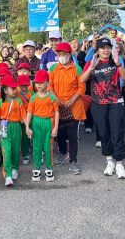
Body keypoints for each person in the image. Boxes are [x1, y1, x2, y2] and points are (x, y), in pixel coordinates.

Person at [80, 37, 125, 179]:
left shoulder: (116, 61)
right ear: (98, 50)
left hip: (115, 101)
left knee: (117, 132)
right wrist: (90, 68)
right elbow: (81, 80)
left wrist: (118, 64)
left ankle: (119, 162)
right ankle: (109, 161)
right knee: (104, 133)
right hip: (98, 103)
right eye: (103, 48)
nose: (106, 50)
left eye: (108, 47)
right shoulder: (92, 63)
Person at [48, 42, 86, 175]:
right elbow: (50, 86)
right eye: (59, 54)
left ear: (70, 54)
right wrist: (56, 99)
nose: (61, 56)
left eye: (64, 54)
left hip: (73, 106)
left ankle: (73, 161)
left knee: (72, 135)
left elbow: (82, 88)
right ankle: (63, 153)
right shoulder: (53, 68)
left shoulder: (77, 69)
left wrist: (72, 99)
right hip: (58, 106)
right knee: (60, 133)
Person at [0, 76, 25, 186]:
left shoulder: (19, 101)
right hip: (5, 128)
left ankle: (15, 168)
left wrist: (28, 126)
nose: (15, 90)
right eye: (12, 88)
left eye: (15, 88)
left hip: (16, 127)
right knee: (7, 151)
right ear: (5, 90)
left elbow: (23, 116)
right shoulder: (1, 102)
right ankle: (8, 175)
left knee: (15, 150)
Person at [25, 70, 59, 182]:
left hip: (48, 123)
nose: (38, 85)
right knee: (36, 146)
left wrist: (55, 128)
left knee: (48, 146)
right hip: (36, 123)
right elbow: (29, 112)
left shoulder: (51, 97)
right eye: (36, 83)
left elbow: (57, 112)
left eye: (41, 82)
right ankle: (37, 169)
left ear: (47, 83)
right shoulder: (34, 98)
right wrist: (27, 127)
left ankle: (49, 169)